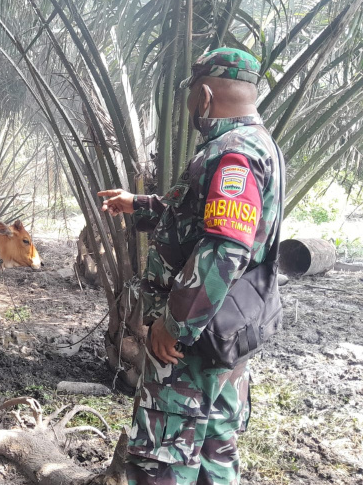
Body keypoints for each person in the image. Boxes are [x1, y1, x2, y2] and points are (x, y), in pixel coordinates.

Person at [98, 48, 283, 484]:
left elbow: (223, 247)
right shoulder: (258, 145)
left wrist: (174, 324)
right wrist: (137, 205)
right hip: (224, 334)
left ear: (203, 96)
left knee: (162, 457)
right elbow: (197, 218)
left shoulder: (232, 154)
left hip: (191, 341)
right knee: (214, 446)